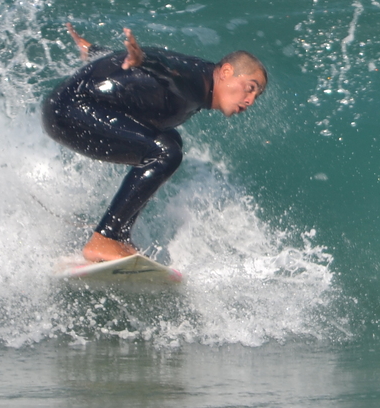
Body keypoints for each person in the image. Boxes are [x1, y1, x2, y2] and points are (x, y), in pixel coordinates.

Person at [42, 24, 267, 262]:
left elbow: (138, 70)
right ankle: (105, 238)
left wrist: (95, 50)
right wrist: (144, 60)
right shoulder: (196, 79)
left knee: (170, 141)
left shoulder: (199, 79)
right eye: (250, 88)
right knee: (164, 152)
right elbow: (169, 69)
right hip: (70, 111)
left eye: (256, 95)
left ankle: (117, 236)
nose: (250, 100)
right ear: (226, 71)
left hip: (71, 109)